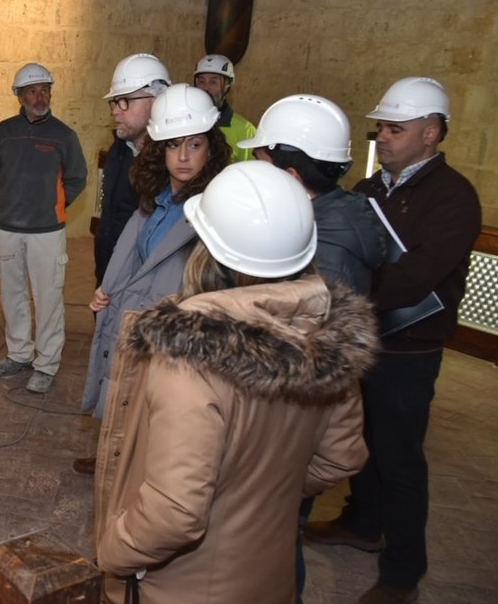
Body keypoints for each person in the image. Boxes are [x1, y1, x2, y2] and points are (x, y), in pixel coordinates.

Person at [94, 160, 379, 604]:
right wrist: (259, 492)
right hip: (271, 576)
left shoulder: (188, 360)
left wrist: (112, 552)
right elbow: (342, 458)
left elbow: (174, 513)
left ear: (206, 247)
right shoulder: (326, 341)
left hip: (185, 588)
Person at [305, 77, 482, 604]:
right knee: (357, 440)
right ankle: (362, 523)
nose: (381, 136)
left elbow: (416, 276)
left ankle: (404, 570)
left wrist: (345, 293)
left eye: (394, 128)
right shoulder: (370, 189)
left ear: (431, 133)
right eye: (380, 127)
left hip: (411, 348)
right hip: (365, 336)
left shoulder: (454, 197)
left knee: (400, 456)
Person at [238, 94, 389, 603]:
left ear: (292, 170)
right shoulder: (342, 217)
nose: (258, 170)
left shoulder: (323, 245)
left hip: (289, 431)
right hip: (298, 433)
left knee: (276, 543)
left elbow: (302, 357)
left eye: (263, 161)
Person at [75, 83, 230, 475]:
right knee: (125, 402)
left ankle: (134, 469)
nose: (182, 156)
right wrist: (107, 288)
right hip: (132, 320)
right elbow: (133, 255)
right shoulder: (156, 198)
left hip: (170, 336)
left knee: (158, 423)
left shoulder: (216, 211)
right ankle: (117, 453)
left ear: (210, 149)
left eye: (194, 145)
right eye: (173, 145)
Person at [0, 62, 88, 394]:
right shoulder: (4, 131)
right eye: (32, 90)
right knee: (12, 295)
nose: (40, 96)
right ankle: (18, 354)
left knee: (48, 298)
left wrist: (53, 203)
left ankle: (46, 364)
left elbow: (76, 178)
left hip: (47, 231)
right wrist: (15, 196)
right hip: (8, 228)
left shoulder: (64, 135)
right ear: (19, 95)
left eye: (45, 90)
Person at [93, 53, 171, 285]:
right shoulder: (118, 150)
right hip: (109, 275)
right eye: (115, 102)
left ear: (156, 101)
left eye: (125, 100)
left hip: (144, 284)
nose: (116, 110)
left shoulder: (174, 164)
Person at [192, 53, 257, 162]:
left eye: (213, 82)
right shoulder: (186, 122)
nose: (206, 88)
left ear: (228, 86)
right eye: (201, 81)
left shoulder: (246, 131)